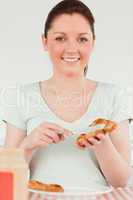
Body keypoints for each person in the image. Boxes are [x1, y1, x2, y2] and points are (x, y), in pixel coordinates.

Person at [1, 0, 132, 190]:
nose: (71, 49)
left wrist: (103, 145)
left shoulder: (115, 96)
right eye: (60, 38)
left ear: (93, 43)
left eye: (82, 39)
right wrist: (28, 145)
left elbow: (121, 181)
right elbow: (6, 180)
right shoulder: (20, 96)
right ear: (45, 42)